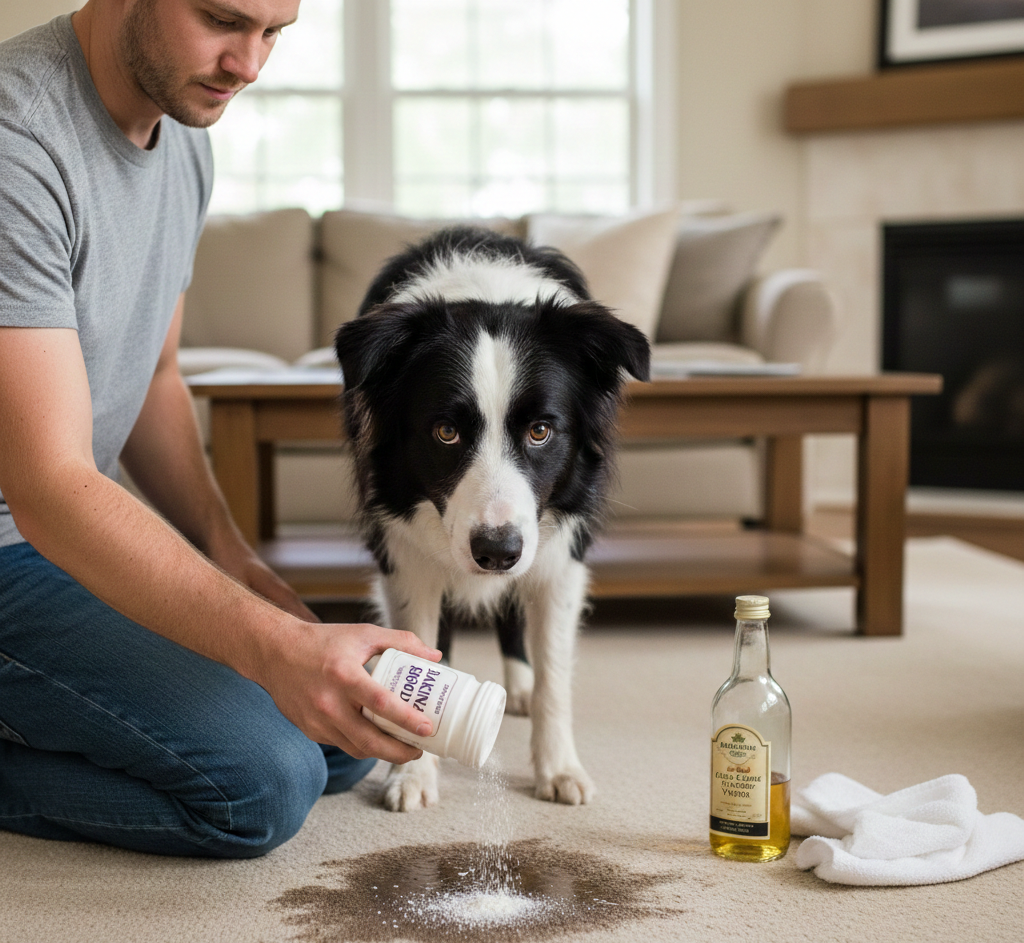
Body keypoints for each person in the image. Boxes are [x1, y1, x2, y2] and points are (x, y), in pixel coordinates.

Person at [0, 0, 440, 858]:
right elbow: (48, 487)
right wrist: (271, 646)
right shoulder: (18, 143)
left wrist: (232, 561)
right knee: (263, 780)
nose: (249, 65)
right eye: (221, 19)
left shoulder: (184, 135)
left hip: (51, 540)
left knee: (342, 728)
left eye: (274, 31)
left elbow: (154, 373)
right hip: (22, 538)